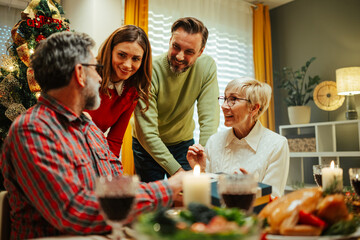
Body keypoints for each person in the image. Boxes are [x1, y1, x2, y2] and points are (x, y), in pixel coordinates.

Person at [0, 31, 185, 239]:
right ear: (80, 74)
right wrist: (166, 189)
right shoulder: (33, 130)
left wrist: (171, 195)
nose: (99, 77)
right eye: (95, 69)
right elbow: (75, 213)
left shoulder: (89, 127)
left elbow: (115, 186)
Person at [132, 17, 220, 182]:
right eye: (176, 47)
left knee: (190, 197)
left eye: (189, 52)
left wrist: (202, 160)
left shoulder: (206, 67)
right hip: (147, 145)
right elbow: (148, 133)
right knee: (154, 201)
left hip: (183, 144)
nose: (179, 56)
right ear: (170, 40)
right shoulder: (148, 70)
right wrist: (178, 172)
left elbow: (209, 119)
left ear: (200, 52)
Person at [187, 78, 290, 197]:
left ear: (254, 108)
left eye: (233, 99)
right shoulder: (214, 141)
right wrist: (200, 171)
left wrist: (252, 191)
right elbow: (208, 195)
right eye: (225, 99)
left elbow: (273, 199)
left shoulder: (277, 144)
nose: (224, 106)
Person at [85, 25, 151, 157]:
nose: (127, 65)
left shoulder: (132, 92)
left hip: (93, 155)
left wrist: (111, 172)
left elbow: (114, 140)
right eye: (122, 55)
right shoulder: (86, 74)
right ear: (110, 51)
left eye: (135, 59)